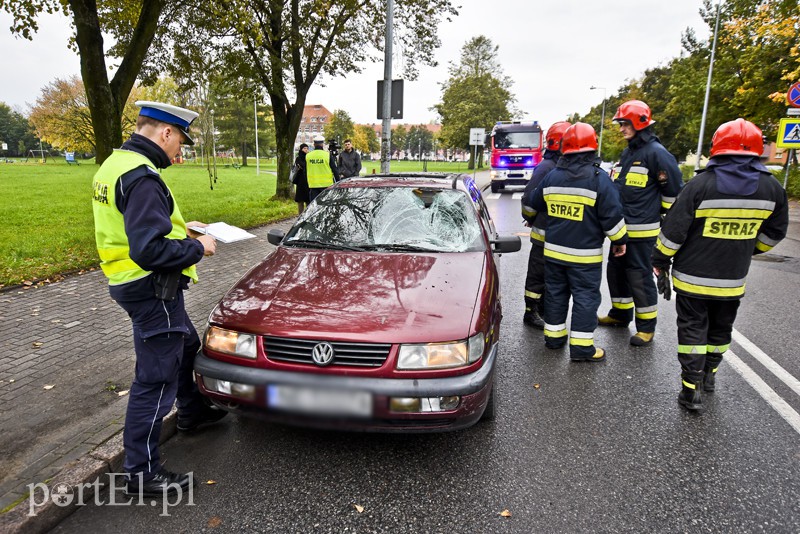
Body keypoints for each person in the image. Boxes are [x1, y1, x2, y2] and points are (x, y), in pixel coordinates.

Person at [91, 101, 227, 497]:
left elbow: (134, 222)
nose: (179, 152)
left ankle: (193, 411)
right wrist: (198, 247)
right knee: (153, 381)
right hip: (152, 288)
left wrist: (183, 227)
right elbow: (148, 249)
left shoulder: (115, 164)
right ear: (165, 132)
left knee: (186, 344)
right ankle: (141, 472)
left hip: (132, 284)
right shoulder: (144, 177)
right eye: (179, 141)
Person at [651, 118, 788, 412]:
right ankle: (710, 375)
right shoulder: (772, 188)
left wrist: (660, 261)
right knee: (720, 329)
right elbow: (776, 232)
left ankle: (691, 390)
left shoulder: (700, 184)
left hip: (692, 279)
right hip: (733, 278)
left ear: (717, 147)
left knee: (692, 331)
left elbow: (673, 232)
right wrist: (748, 249)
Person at [527, 123, 627, 362]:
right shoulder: (598, 179)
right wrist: (620, 239)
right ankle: (582, 349)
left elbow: (532, 203)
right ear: (592, 148)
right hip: (584, 257)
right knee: (585, 298)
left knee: (556, 295)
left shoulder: (552, 176)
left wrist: (533, 218)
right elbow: (612, 217)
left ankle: (554, 339)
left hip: (553, 254)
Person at [598, 99, 684, 346]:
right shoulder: (630, 152)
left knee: (639, 277)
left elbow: (673, 192)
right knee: (616, 273)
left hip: (643, 232)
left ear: (639, 123)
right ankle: (620, 314)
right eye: (621, 123)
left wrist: (659, 216)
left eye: (625, 123)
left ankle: (646, 327)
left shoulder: (657, 154)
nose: (621, 128)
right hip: (622, 231)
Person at [521, 121, 571, 328]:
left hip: (557, 235)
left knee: (552, 276)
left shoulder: (561, 166)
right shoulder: (547, 168)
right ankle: (531, 312)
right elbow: (529, 199)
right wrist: (531, 218)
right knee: (537, 275)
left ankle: (542, 309)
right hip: (544, 234)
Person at [306, 135, 339, 202]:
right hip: (326, 185)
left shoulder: (308, 156)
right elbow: (334, 170)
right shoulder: (327, 155)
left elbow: (305, 171)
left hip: (313, 185)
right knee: (326, 205)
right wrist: (338, 182)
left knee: (314, 205)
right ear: (322, 144)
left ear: (314, 144)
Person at [293, 143, 310, 214]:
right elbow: (302, 166)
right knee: (300, 201)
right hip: (300, 181)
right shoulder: (298, 158)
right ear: (301, 149)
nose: (306, 150)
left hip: (308, 181)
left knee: (308, 200)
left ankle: (308, 215)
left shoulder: (309, 157)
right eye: (304, 148)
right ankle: (300, 216)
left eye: (307, 148)